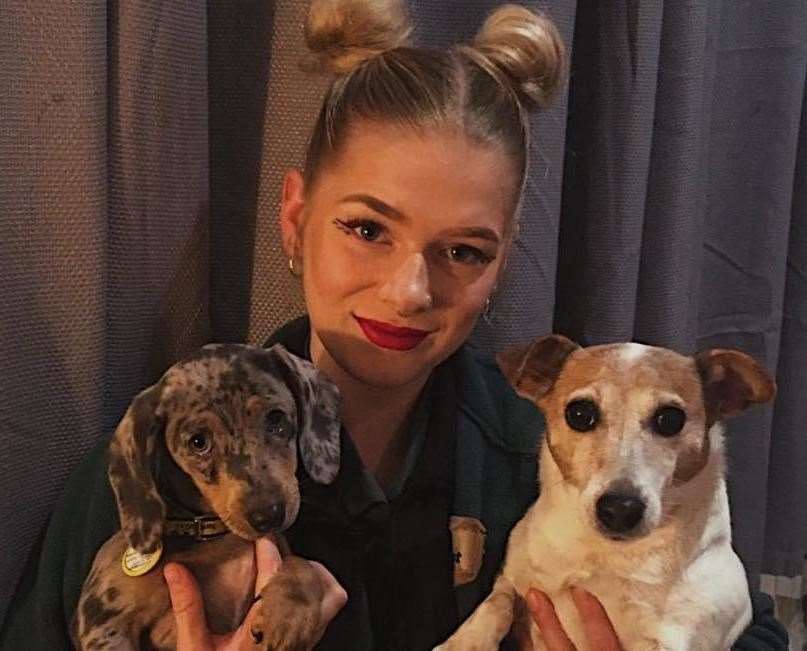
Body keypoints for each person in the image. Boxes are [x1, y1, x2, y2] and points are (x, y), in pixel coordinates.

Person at [0, 1, 788, 649]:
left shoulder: (556, 453)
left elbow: (736, 619)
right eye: (366, 229)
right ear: (294, 217)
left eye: (461, 250)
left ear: (503, 261)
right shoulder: (153, 469)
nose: (410, 289)